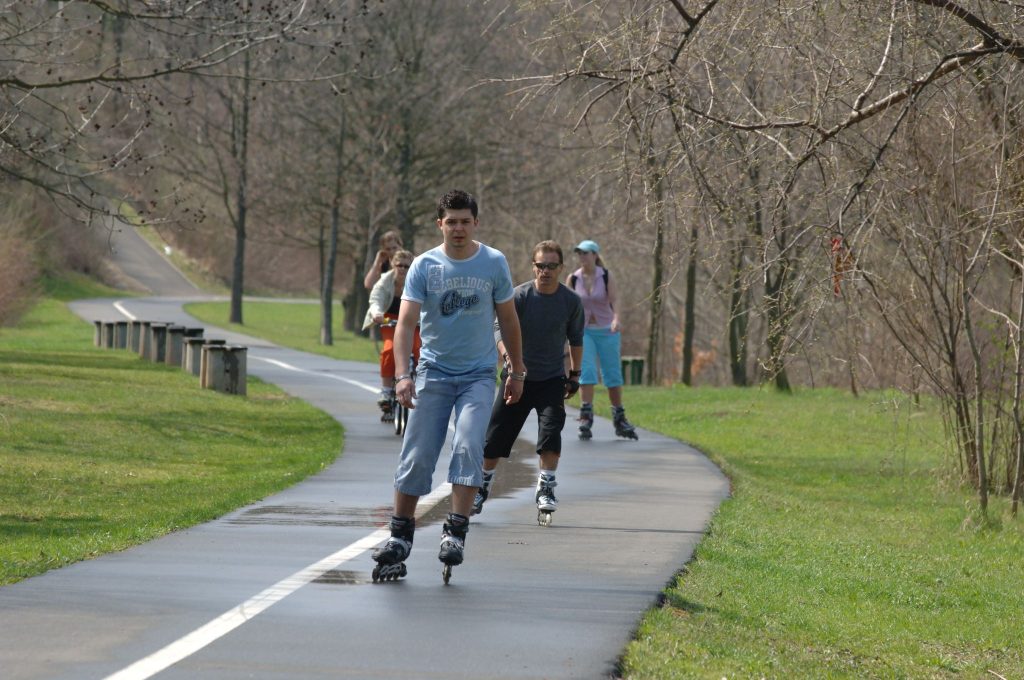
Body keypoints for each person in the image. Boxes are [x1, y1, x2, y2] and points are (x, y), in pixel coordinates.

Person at [371, 189, 526, 582]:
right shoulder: (425, 265)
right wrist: (403, 375)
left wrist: (517, 371)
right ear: (439, 224)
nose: (458, 228)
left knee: (469, 444)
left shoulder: (493, 262)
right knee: (418, 452)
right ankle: (400, 535)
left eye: (465, 220)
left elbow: (508, 321)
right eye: (451, 221)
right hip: (433, 373)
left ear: (476, 222)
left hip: (477, 376)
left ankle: (455, 532)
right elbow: (406, 324)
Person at [473, 240, 584, 525]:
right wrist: (508, 359)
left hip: (550, 379)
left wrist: (574, 375)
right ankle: (481, 486)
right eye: (540, 266)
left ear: (561, 268)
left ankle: (546, 487)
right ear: (533, 267)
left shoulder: (570, 301)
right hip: (516, 377)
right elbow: (498, 328)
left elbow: (576, 340)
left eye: (551, 266)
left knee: (551, 432)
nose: (545, 271)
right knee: (494, 438)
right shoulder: (519, 296)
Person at [566, 239, 638, 440]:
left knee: (612, 373)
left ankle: (619, 418)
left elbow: (614, 299)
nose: (582, 257)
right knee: (586, 371)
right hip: (584, 330)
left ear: (595, 255)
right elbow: (567, 305)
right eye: (579, 253)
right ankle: (586, 416)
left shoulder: (605, 275)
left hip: (607, 330)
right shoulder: (573, 278)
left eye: (586, 253)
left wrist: (617, 319)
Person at [361, 249, 421, 413]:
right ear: (393, 266)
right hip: (389, 320)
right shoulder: (385, 281)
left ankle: (421, 385)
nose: (402, 269)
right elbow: (375, 299)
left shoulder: (419, 280)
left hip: (413, 321)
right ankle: (386, 390)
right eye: (399, 265)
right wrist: (376, 314)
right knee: (388, 350)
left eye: (406, 266)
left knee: (419, 350)